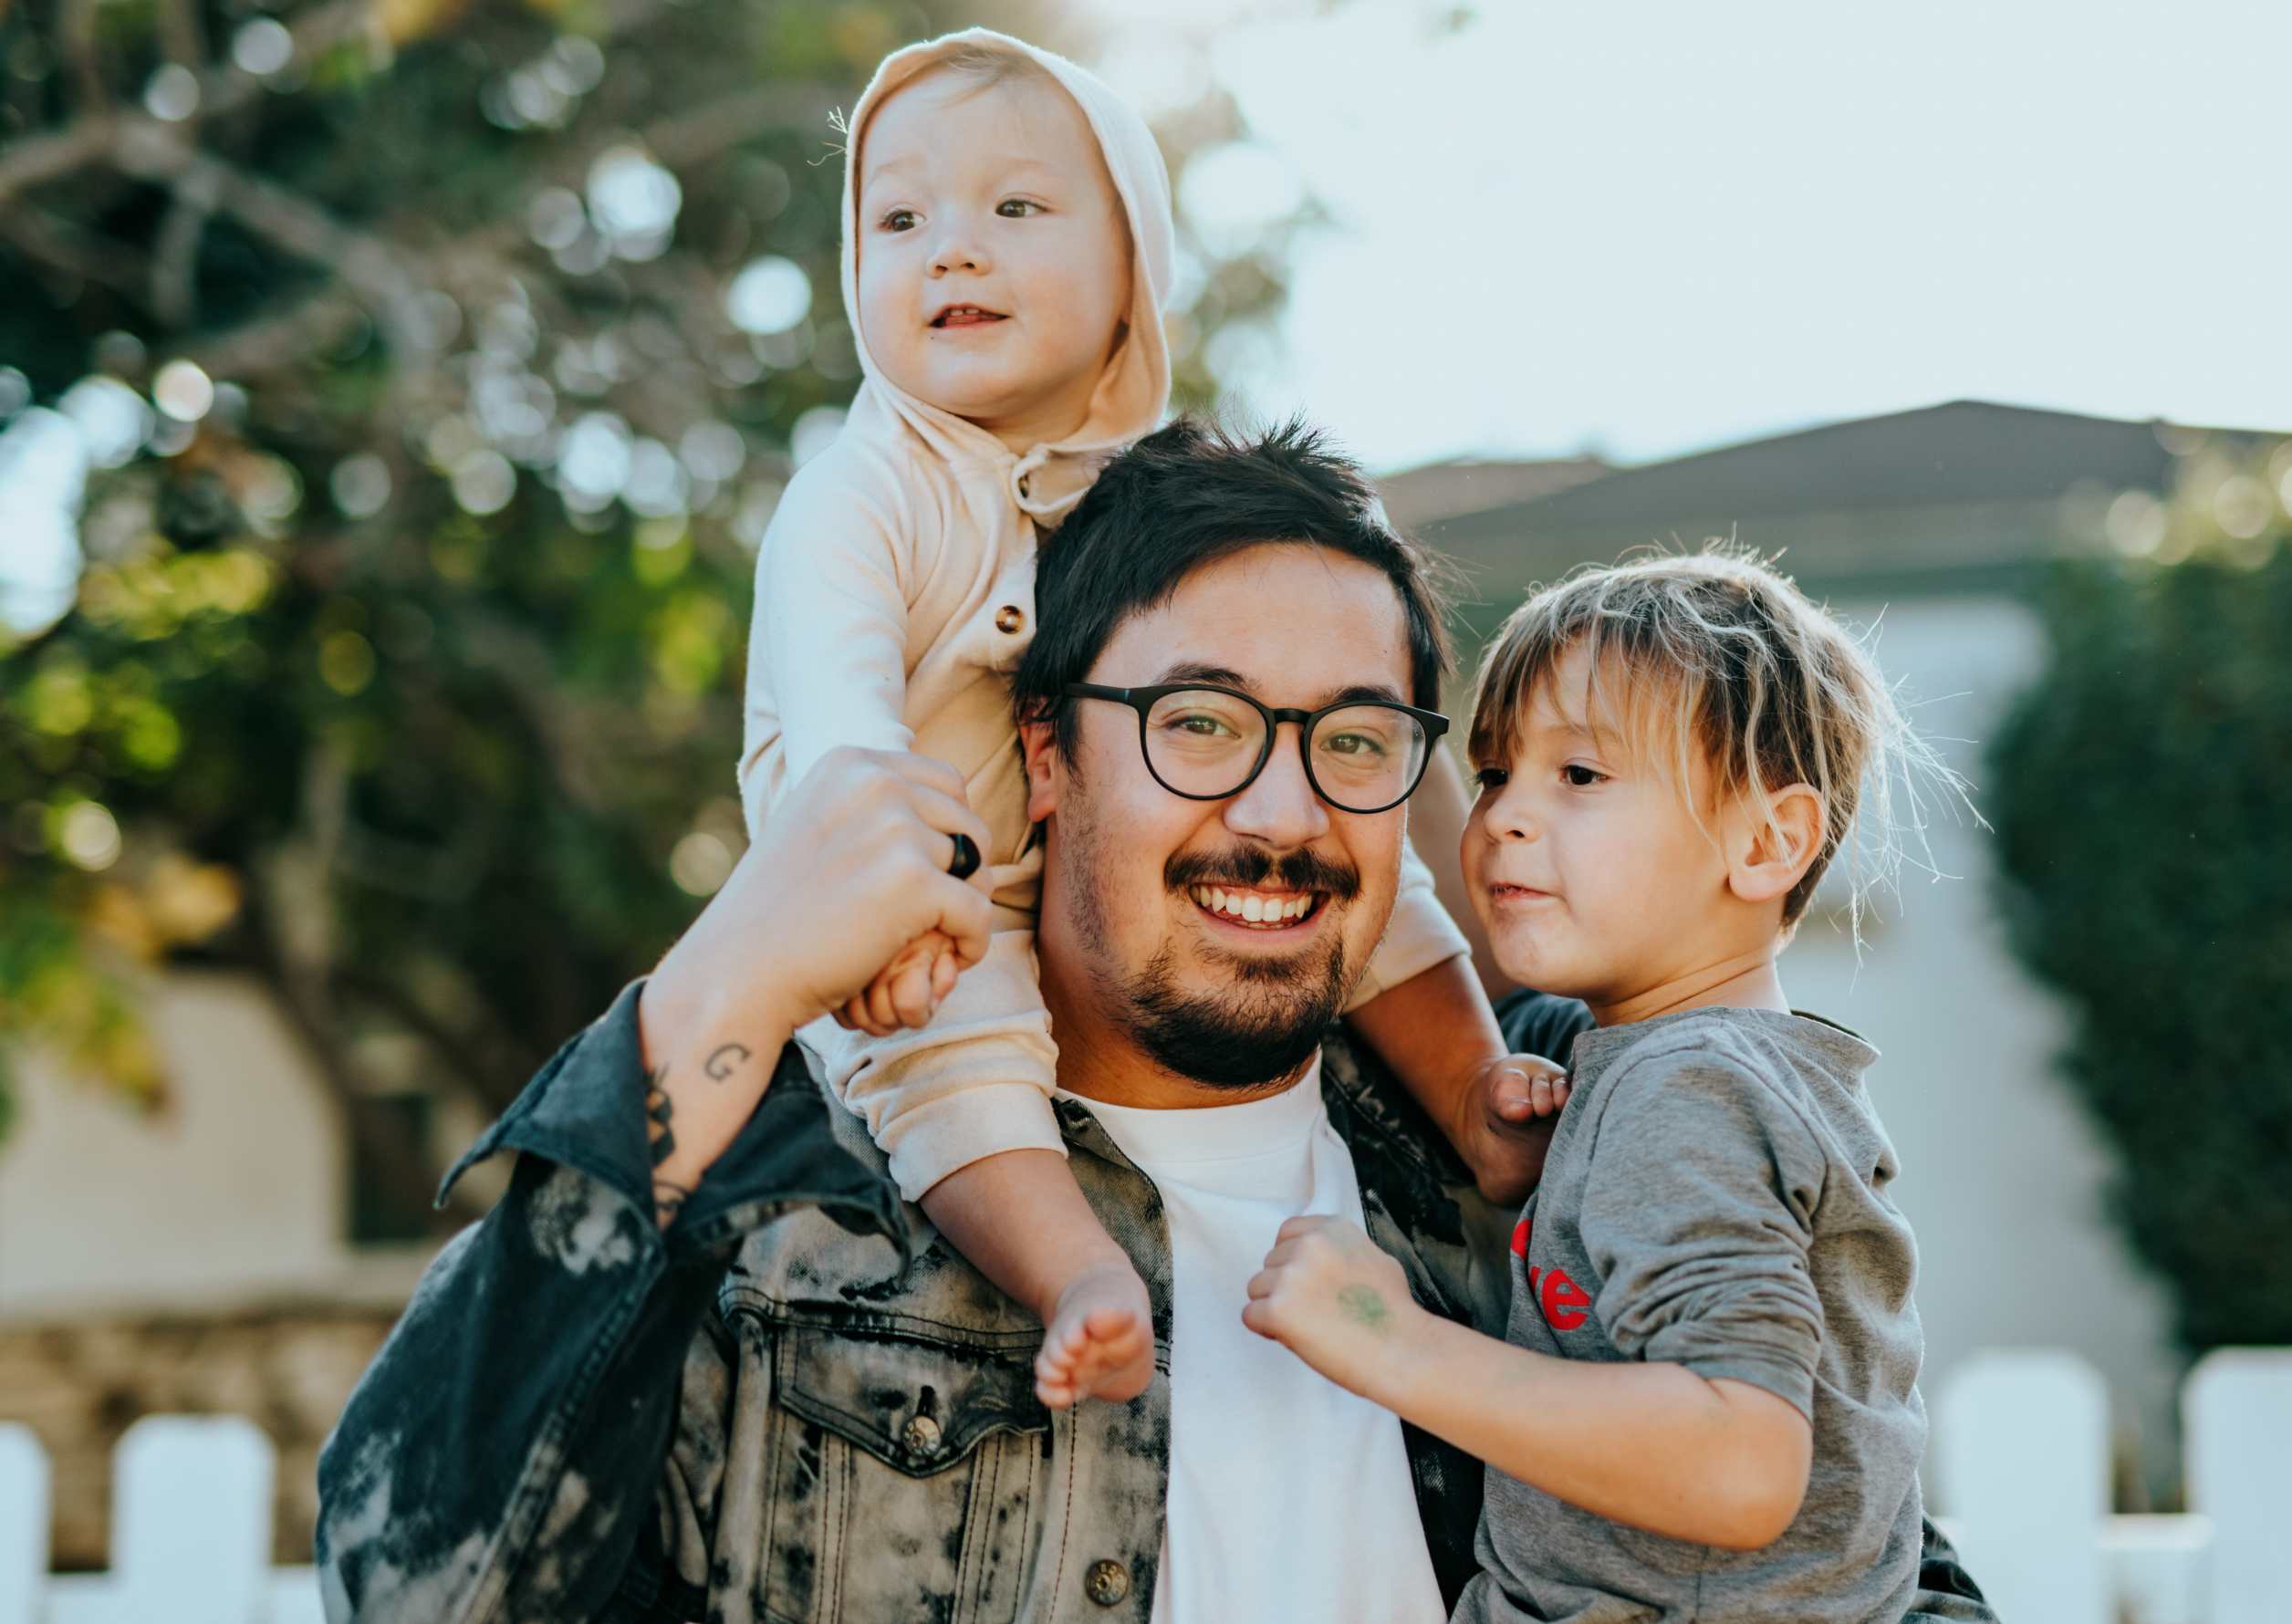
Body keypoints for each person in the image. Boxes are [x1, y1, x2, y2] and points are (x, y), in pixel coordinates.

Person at [315, 422, 1995, 1624]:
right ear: (1046, 756)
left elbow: (1861, 1558)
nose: (1282, 812)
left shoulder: (1544, 1123)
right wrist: (726, 978)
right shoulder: (788, 1175)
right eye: (1199, 723)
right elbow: (419, 1585)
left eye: (1354, 741)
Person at [739, 26, 1558, 1412]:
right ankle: (1077, 1273)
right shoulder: (861, 494)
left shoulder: (1151, 498)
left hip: (1043, 876)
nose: (952, 251)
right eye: (899, 221)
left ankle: (1478, 1098)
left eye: (1015, 207)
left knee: (1370, 878)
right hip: (914, 904)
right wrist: (889, 913)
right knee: (953, 1064)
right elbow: (841, 737)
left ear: (1134, 269)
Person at [1249, 554, 1961, 1622]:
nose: (1502, 817)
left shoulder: (1684, 1090)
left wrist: (1388, 1342)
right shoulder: (1701, 1067)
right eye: (1494, 772)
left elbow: (1740, 1463)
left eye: (1579, 775)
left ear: (1768, 840)